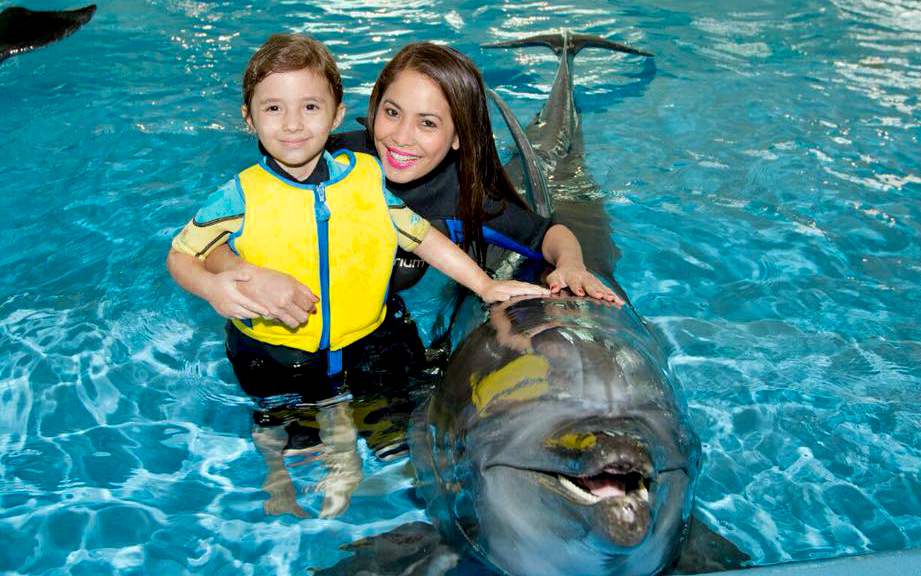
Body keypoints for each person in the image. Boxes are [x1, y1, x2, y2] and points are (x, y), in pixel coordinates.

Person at [166, 34, 547, 517]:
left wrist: (486, 285)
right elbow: (181, 255)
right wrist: (214, 287)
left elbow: (421, 237)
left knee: (369, 421)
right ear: (249, 118)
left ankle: (345, 457)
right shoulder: (238, 197)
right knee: (280, 424)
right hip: (273, 349)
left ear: (338, 114)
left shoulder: (364, 178)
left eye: (309, 107)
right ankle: (276, 477)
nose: (292, 126)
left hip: (361, 336)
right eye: (273, 110)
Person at [202, 42, 624, 347]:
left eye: (428, 123)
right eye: (391, 113)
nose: (401, 138)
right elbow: (221, 232)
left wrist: (571, 263)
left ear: (459, 136)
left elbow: (546, 233)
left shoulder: (461, 196)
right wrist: (242, 275)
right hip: (283, 330)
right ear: (371, 110)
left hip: (369, 325)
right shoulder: (332, 160)